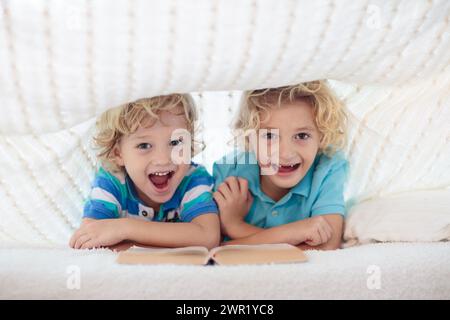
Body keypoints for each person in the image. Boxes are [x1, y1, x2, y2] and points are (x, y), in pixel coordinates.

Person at [70, 94, 220, 250]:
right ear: (118, 154)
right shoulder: (113, 180)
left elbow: (208, 236)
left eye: (176, 142)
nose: (163, 159)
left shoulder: (193, 178)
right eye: (144, 145)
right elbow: (90, 235)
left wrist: (124, 229)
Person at [213, 80, 348, 250]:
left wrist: (235, 227)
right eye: (269, 136)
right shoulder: (230, 173)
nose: (285, 153)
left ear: (321, 136)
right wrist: (295, 233)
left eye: (302, 136)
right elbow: (216, 247)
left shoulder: (328, 167)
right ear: (250, 138)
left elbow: (328, 246)